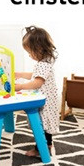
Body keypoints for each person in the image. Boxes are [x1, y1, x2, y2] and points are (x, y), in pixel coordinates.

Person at [15, 26, 60, 156]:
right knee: (44, 124)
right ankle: (48, 144)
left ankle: (40, 149)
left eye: (30, 52)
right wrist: (20, 74)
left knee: (41, 124)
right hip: (47, 99)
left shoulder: (43, 64)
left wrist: (20, 86)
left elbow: (37, 82)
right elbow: (35, 75)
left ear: (39, 49)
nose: (29, 55)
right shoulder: (45, 62)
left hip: (45, 101)